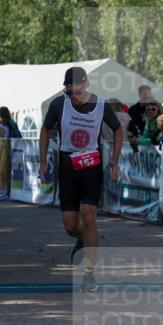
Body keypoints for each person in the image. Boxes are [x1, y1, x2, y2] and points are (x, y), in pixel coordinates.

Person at [38, 66, 123, 292]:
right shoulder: (58, 104)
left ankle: (88, 273)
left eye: (77, 91)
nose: (73, 96)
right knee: (70, 225)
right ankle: (83, 239)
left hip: (91, 165)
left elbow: (118, 130)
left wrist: (114, 160)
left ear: (86, 85)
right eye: (69, 91)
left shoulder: (101, 104)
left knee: (90, 217)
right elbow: (45, 129)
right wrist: (43, 160)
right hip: (67, 165)